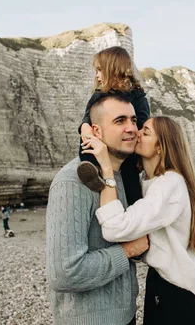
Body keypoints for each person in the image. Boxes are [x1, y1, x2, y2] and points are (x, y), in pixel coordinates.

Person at [83, 116, 195, 325]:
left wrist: (106, 169)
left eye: (145, 132)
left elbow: (114, 228)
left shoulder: (169, 184)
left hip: (189, 294)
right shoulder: (148, 182)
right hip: (171, 283)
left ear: (160, 147)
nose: (136, 133)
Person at [46, 94, 149, 325]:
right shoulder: (72, 182)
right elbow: (64, 273)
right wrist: (128, 251)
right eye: (120, 121)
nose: (132, 128)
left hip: (125, 315)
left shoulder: (123, 179)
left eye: (134, 120)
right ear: (96, 131)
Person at [77, 46, 150, 207]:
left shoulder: (138, 97)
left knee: (132, 189)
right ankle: (91, 169)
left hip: (127, 152)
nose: (97, 75)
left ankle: (134, 212)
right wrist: (84, 126)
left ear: (112, 69)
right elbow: (88, 115)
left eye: (99, 70)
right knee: (87, 144)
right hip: (99, 142)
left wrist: (140, 155)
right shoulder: (99, 95)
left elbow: (142, 124)